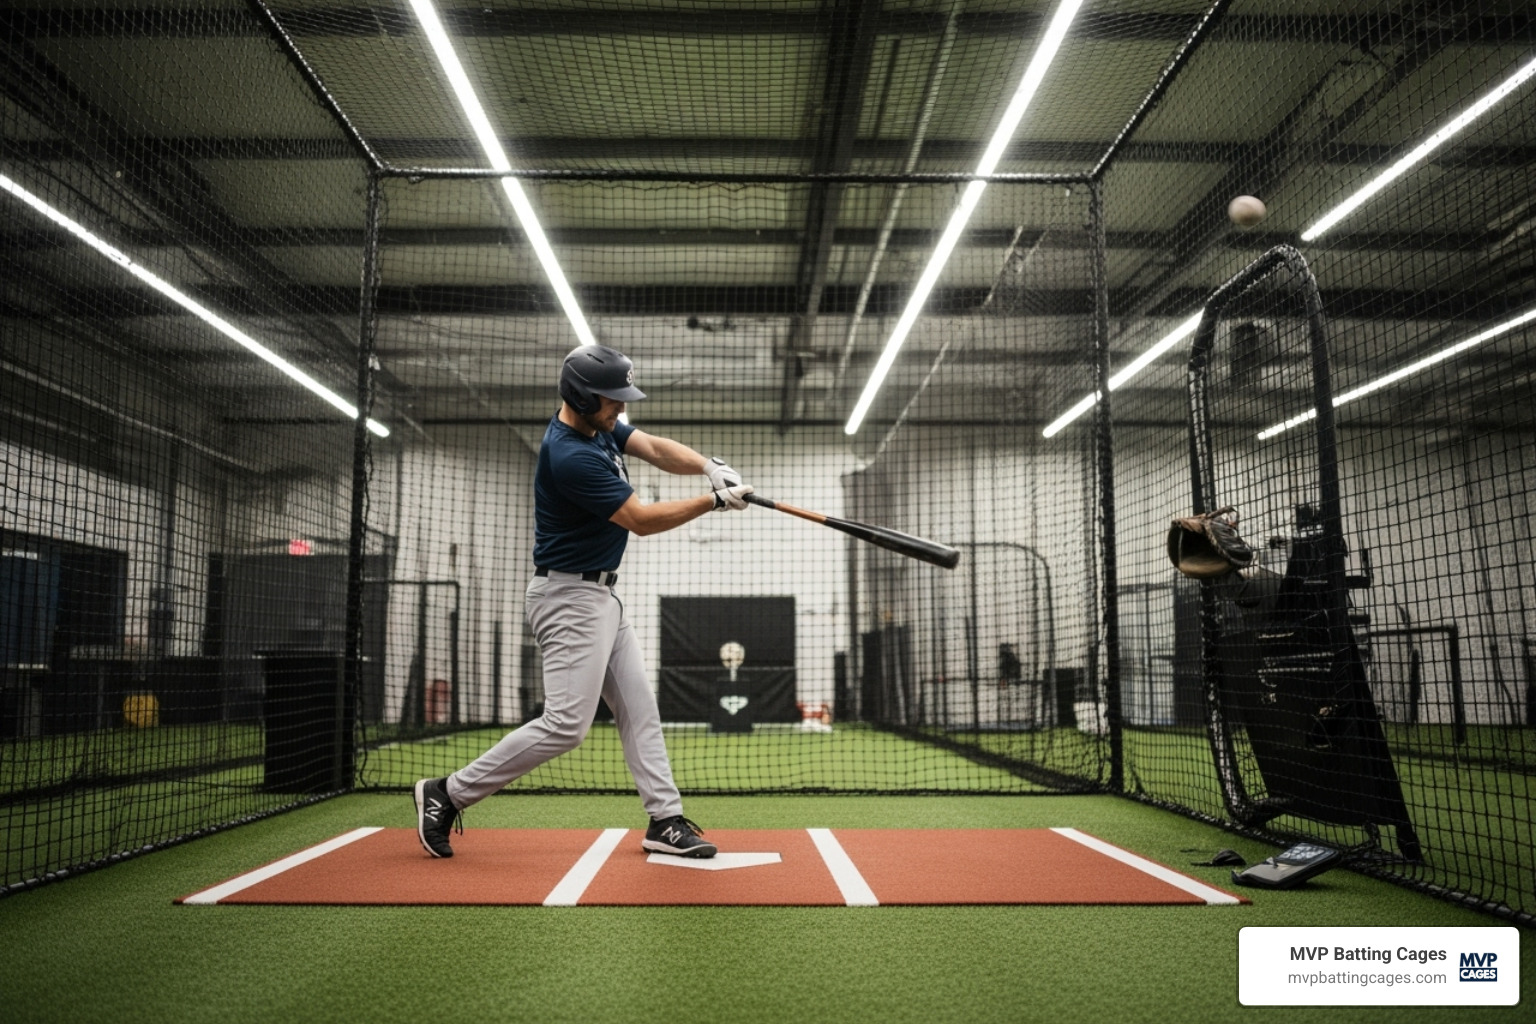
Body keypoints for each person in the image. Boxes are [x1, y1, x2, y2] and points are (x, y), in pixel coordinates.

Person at [413, 343, 753, 860]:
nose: (620, 408)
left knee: (640, 710)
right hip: (568, 597)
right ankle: (448, 793)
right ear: (580, 396)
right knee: (567, 726)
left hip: (599, 597)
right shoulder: (568, 454)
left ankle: (664, 820)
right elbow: (639, 520)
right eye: (612, 400)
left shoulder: (598, 426)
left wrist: (709, 467)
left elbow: (656, 449)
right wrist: (713, 502)